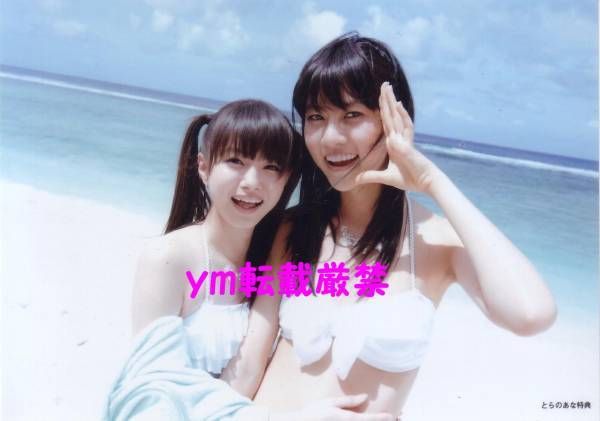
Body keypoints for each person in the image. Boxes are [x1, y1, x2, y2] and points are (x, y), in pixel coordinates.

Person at [252, 32, 557, 418]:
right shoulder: (293, 230)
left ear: (393, 120)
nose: (330, 137)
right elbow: (249, 364)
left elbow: (530, 314)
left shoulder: (435, 242)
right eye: (316, 117)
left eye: (352, 115)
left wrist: (431, 181)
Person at [104, 98, 394, 420]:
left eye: (271, 167)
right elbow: (150, 394)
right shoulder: (170, 258)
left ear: (287, 178)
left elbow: (248, 375)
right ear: (203, 167)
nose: (252, 183)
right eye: (235, 161)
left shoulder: (274, 259)